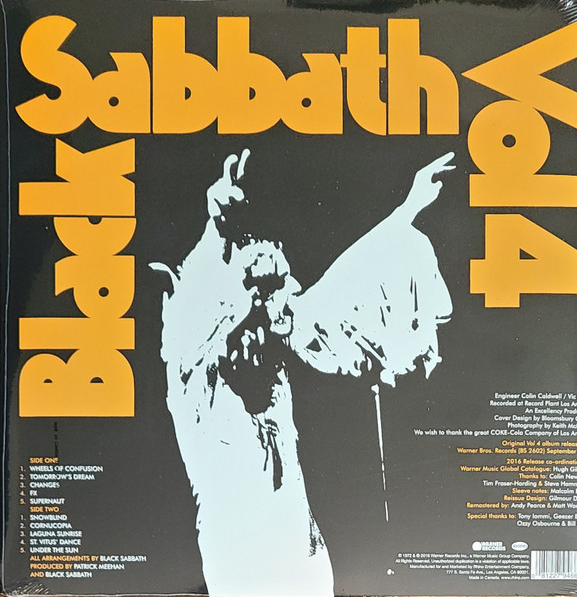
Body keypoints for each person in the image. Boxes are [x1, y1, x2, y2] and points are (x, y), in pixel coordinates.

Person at [151, 149, 454, 597]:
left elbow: (338, 288)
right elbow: (190, 312)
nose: (278, 308)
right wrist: (218, 227)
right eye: (263, 293)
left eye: (280, 292)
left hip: (310, 568)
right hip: (244, 577)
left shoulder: (273, 347)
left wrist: (406, 211)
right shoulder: (195, 375)